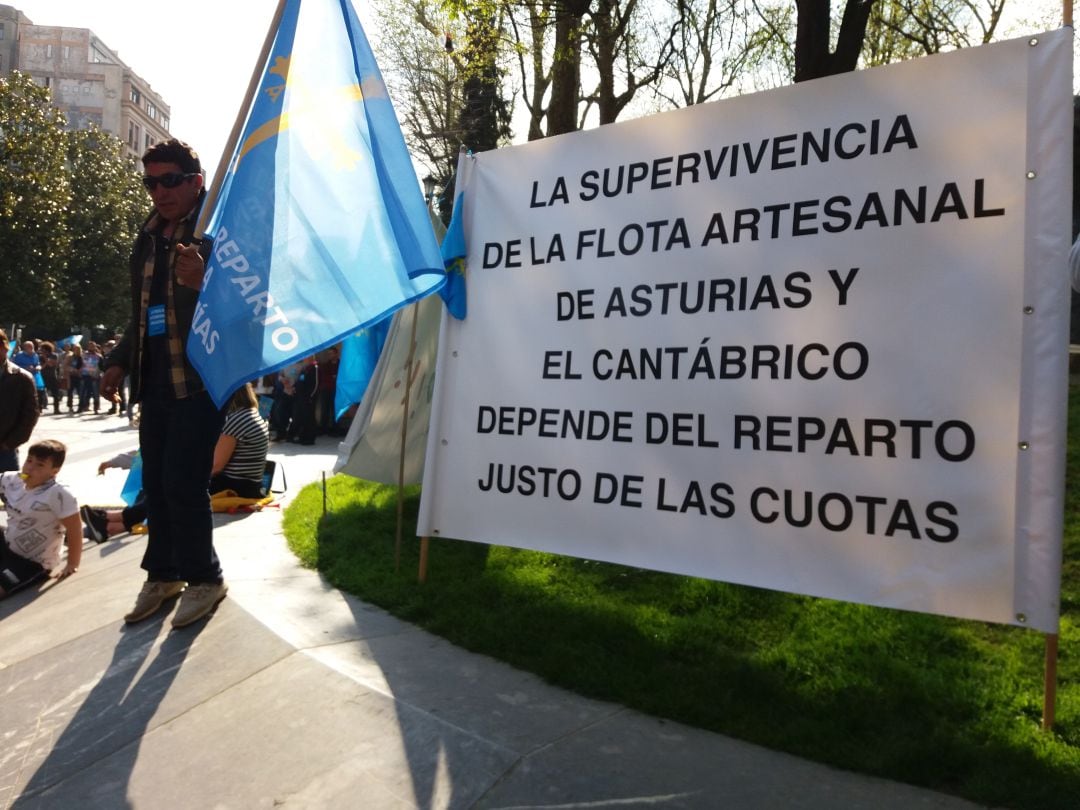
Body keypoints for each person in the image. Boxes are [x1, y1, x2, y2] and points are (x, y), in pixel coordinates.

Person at [100, 138, 228, 629]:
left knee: (183, 484)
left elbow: (253, 302)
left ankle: (206, 578)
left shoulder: (218, 232)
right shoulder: (148, 236)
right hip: (155, 382)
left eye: (170, 180)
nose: (160, 191)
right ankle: (164, 574)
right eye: (151, 182)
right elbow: (142, 313)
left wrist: (207, 280)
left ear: (196, 181)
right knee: (154, 484)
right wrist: (117, 361)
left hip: (201, 382)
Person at [0, 439, 81, 597]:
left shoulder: (59, 494)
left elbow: (75, 529)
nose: (30, 467)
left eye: (40, 465)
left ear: (55, 470)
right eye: (29, 461)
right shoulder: (13, 480)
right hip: (7, 543)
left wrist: (72, 564)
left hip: (33, 562)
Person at [211, 383, 270, 498]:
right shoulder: (251, 414)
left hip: (237, 486)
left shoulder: (237, 420)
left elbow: (216, 466)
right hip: (251, 485)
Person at [0, 330, 39, 473]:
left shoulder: (21, 378)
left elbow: (30, 415)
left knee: (10, 492)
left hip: (4, 450)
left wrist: (10, 443)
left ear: (4, 347)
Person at [287, 354, 319, 445]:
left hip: (308, 398)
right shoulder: (304, 369)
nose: (304, 358)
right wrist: (295, 388)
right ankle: (302, 437)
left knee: (309, 418)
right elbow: (299, 381)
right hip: (300, 397)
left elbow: (316, 384)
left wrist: (311, 397)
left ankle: (310, 438)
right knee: (301, 417)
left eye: (306, 357)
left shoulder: (314, 368)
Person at [39, 341, 62, 415]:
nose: (41, 350)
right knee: (41, 393)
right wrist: (45, 360)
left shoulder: (54, 355)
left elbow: (51, 364)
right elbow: (41, 367)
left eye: (42, 349)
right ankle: (39, 409)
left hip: (52, 377)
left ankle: (56, 409)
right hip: (43, 376)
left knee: (55, 394)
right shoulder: (40, 357)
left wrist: (45, 358)